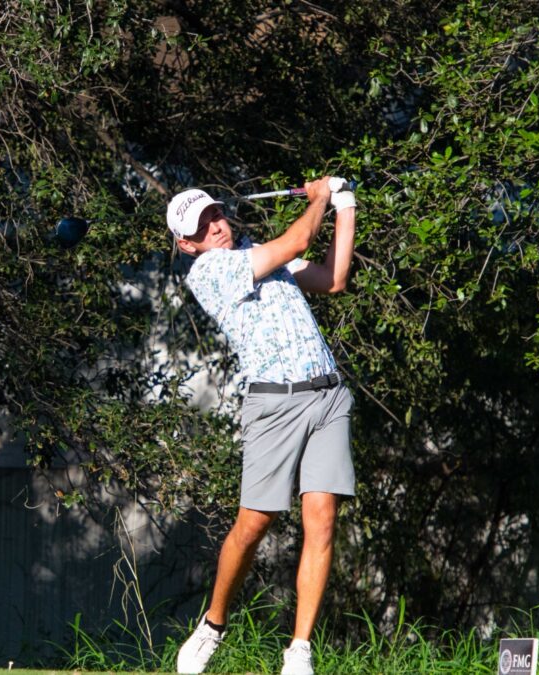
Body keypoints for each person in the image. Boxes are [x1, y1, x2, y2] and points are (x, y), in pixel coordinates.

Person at [166, 177, 357, 675]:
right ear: (187, 245)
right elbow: (296, 241)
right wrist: (318, 199)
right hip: (274, 406)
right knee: (255, 522)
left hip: (328, 396)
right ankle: (212, 625)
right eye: (201, 228)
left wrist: (345, 203)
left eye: (215, 216)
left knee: (323, 520)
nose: (215, 228)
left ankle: (299, 651)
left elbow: (334, 279)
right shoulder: (209, 272)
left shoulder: (256, 251)